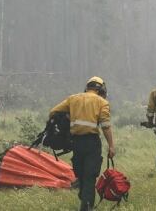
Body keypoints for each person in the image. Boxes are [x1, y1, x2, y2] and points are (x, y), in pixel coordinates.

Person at [49, 76, 115, 211]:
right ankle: (87, 206)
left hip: (76, 143)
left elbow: (53, 112)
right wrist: (111, 146)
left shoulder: (73, 99)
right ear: (101, 89)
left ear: (87, 87)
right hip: (92, 143)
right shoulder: (102, 102)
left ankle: (85, 203)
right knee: (90, 176)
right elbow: (106, 127)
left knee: (81, 174)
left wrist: (67, 119)